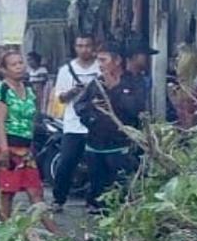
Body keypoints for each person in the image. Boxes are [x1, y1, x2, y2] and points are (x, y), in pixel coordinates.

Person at [81, 42, 145, 213]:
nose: (100, 64)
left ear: (117, 61)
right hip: (95, 145)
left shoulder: (133, 83)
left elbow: (137, 109)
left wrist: (115, 90)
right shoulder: (96, 83)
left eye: (103, 60)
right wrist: (91, 118)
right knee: (97, 188)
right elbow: (80, 106)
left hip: (121, 146)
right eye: (98, 60)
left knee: (120, 189)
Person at [0, 50, 52, 224]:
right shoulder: (1, 90)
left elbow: (30, 121)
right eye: (13, 64)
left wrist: (31, 147)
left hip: (25, 149)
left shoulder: (28, 90)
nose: (19, 67)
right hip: (7, 147)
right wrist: (3, 151)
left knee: (35, 190)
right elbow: (0, 123)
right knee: (8, 192)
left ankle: (55, 233)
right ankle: (6, 230)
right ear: (4, 69)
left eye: (20, 63)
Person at [50, 35, 101, 212]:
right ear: (75, 47)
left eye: (87, 45)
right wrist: (73, 92)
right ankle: (58, 199)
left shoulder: (100, 68)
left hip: (96, 124)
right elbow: (60, 98)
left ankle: (93, 201)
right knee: (66, 163)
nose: (84, 49)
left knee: (96, 166)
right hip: (73, 124)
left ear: (93, 47)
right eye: (80, 46)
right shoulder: (66, 70)